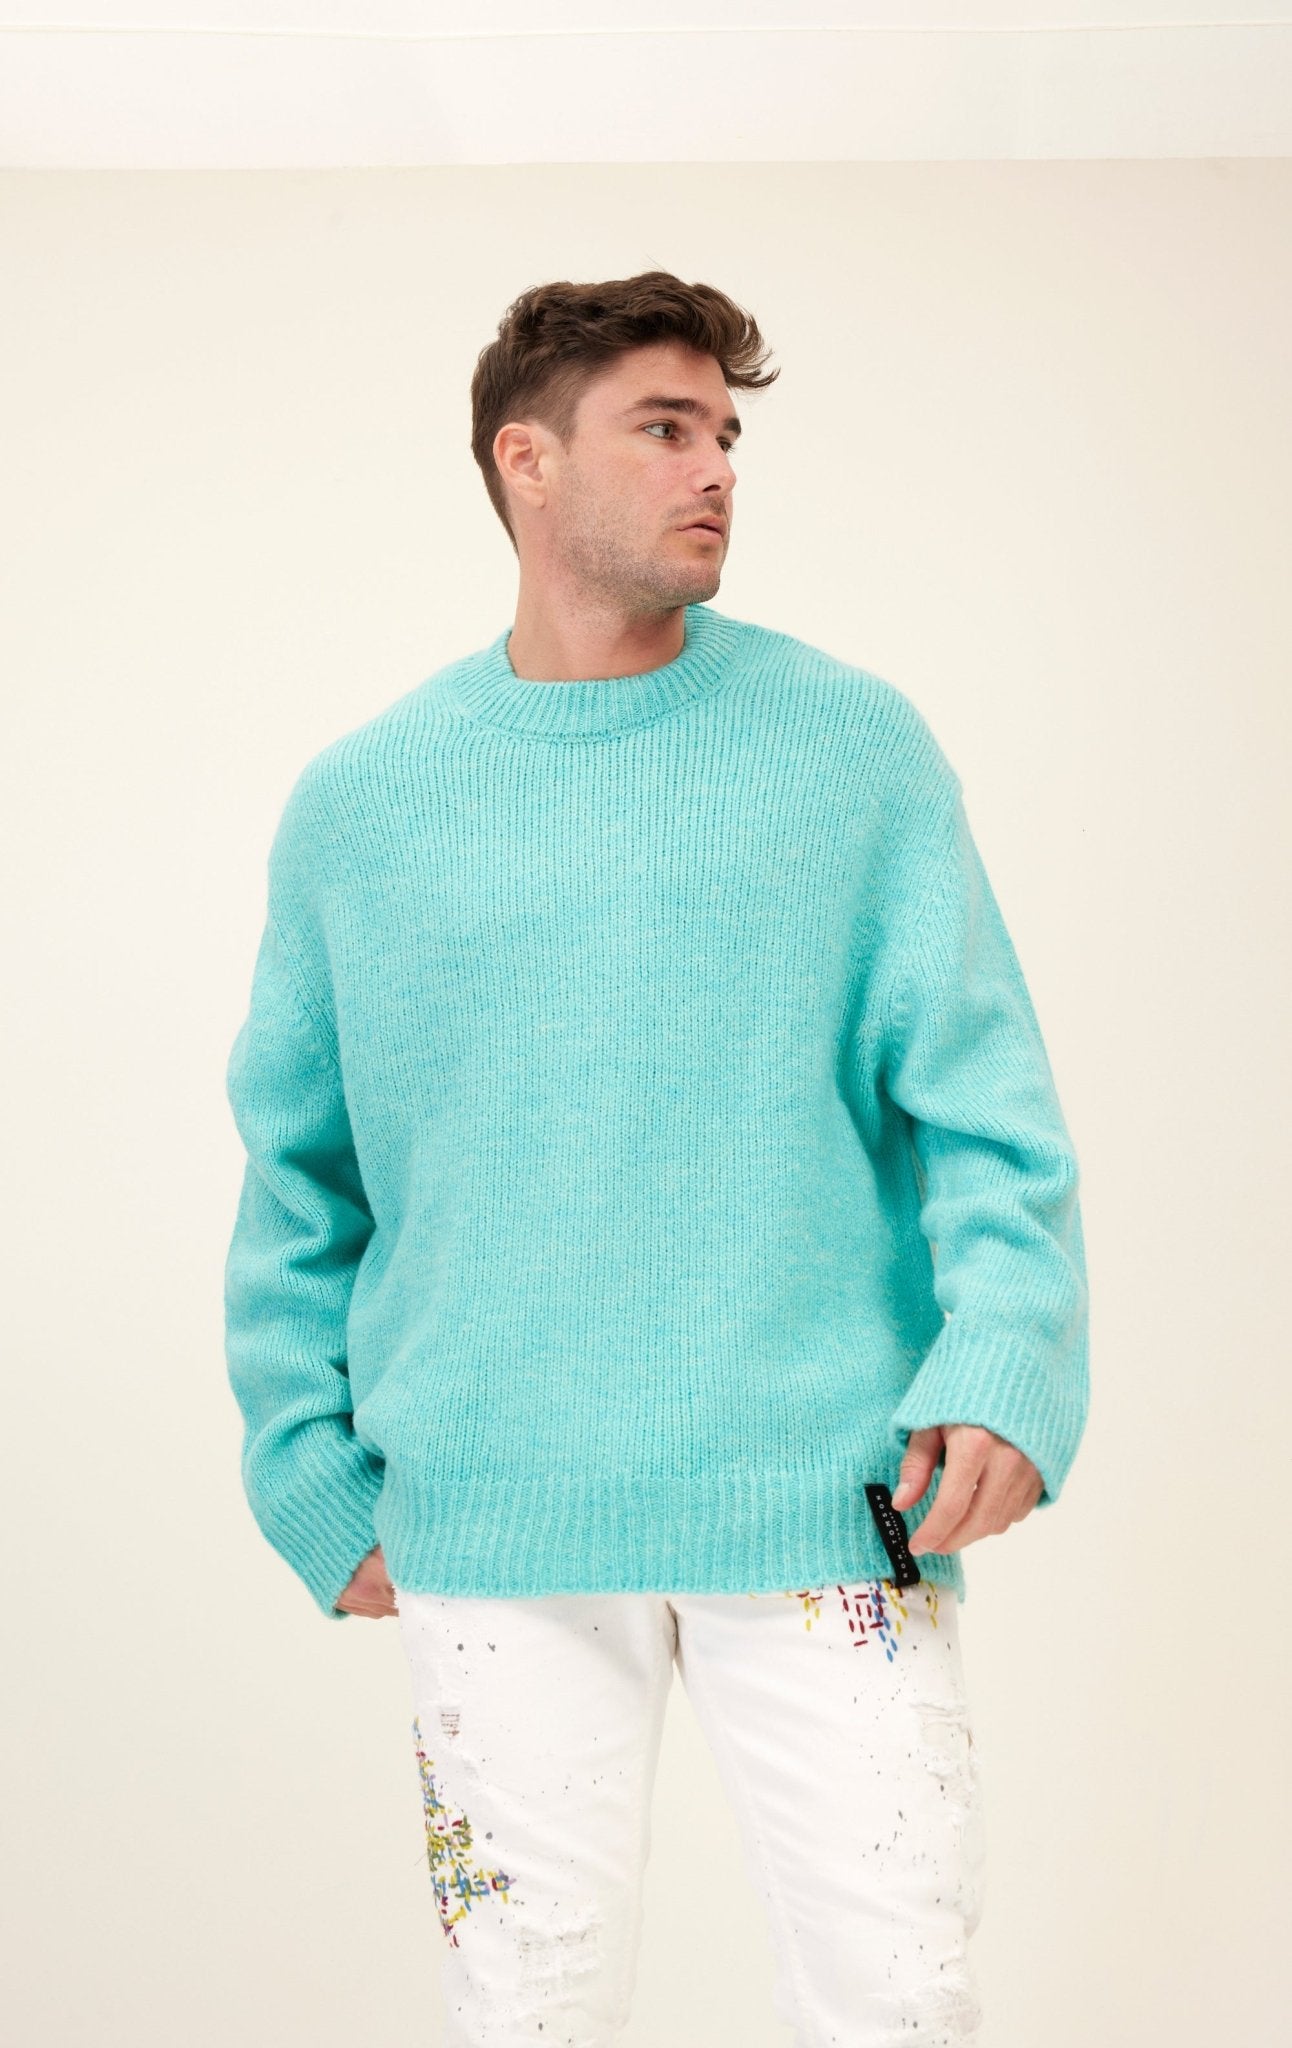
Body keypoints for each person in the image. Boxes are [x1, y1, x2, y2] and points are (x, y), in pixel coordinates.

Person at [223, 270, 1089, 2045]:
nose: (717, 471)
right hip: (488, 1514)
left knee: (899, 1998)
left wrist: (1007, 1365)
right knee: (521, 2009)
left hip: (833, 1501)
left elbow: (988, 1104)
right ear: (525, 460)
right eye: (666, 429)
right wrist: (305, 1463)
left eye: (728, 436)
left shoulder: (851, 751)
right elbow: (299, 1174)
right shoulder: (363, 806)